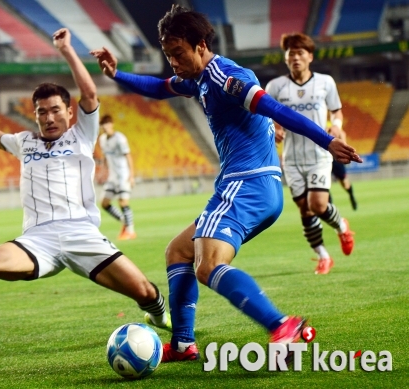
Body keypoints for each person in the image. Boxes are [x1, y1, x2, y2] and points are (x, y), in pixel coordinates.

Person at [91, 5, 361, 362]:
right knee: (179, 252)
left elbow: (277, 111)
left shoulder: (225, 78)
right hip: (251, 186)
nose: (172, 61)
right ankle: (185, 344)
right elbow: (159, 88)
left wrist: (328, 142)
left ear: (200, 44)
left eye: (177, 53)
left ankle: (284, 326)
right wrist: (117, 74)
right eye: (168, 54)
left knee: (207, 265)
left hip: (246, 183)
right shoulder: (199, 79)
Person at [0, 28, 171, 333]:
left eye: (56, 110)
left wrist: (66, 50)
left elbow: (91, 95)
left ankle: (161, 318)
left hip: (80, 233)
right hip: (36, 239)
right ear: (36, 115)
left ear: (69, 112)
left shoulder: (81, 135)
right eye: (42, 112)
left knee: (145, 292)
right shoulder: (25, 142)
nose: (49, 117)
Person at [266, 33, 356, 276]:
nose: (295, 57)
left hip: (319, 154)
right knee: (304, 210)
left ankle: (342, 226)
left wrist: (336, 125)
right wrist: (273, 127)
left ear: (310, 56)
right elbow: (263, 116)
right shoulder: (275, 87)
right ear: (285, 58)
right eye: (291, 53)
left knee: (317, 205)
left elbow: (337, 111)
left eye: (300, 53)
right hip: (292, 158)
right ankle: (323, 256)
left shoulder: (325, 82)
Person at [98, 114, 137, 240]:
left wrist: (131, 175)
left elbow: (128, 156)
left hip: (123, 175)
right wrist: (103, 171)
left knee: (123, 202)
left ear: (112, 124)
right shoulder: (102, 139)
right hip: (112, 177)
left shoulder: (120, 138)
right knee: (104, 203)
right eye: (104, 124)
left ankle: (131, 231)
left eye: (108, 123)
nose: (106, 126)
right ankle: (124, 221)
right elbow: (105, 157)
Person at [330, 129, 357, 210]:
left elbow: (343, 140)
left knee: (344, 184)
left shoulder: (338, 130)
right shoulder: (322, 125)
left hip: (336, 160)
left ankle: (352, 197)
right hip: (325, 159)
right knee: (325, 183)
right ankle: (329, 206)